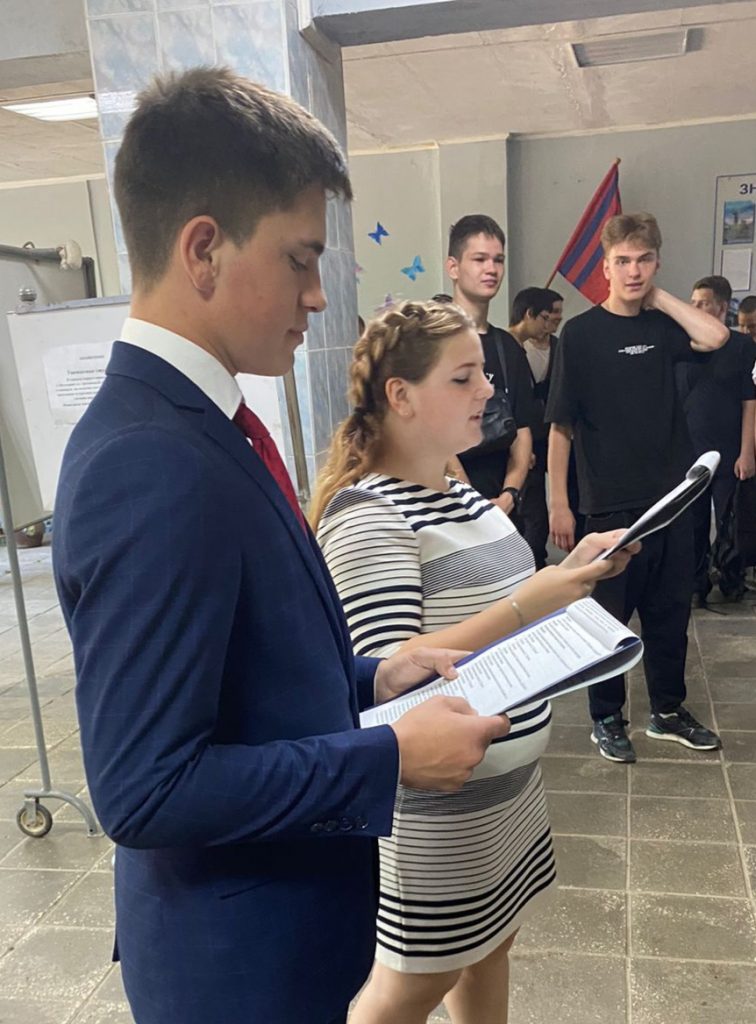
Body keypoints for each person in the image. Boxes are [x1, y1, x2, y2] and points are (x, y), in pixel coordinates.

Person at [52, 69, 510, 1024]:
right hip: (237, 969)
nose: (316, 295)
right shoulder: (151, 458)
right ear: (203, 250)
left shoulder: (203, 421)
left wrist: (369, 678)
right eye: (300, 259)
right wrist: (387, 759)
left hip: (280, 933)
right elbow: (145, 788)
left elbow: (243, 674)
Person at [311, 299, 637, 1024]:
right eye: (463, 378)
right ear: (401, 396)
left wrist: (568, 573)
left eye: (483, 373)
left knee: (491, 950)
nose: (488, 390)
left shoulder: (459, 490)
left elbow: (496, 598)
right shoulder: (369, 516)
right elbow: (388, 682)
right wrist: (531, 602)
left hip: (507, 796)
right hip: (440, 814)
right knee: (408, 989)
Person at [546, 212, 729, 764]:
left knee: (671, 615)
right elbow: (560, 425)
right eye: (622, 261)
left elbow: (716, 335)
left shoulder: (663, 327)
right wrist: (559, 501)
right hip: (609, 503)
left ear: (656, 264)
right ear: (604, 267)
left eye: (643, 260)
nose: (633, 271)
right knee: (606, 621)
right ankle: (607, 717)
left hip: (672, 500)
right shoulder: (579, 335)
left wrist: (660, 298)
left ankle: (668, 711)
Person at [445, 215, 534, 519]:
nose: (491, 269)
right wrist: (470, 500)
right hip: (447, 508)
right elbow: (425, 432)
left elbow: (522, 430)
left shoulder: (508, 347)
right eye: (479, 259)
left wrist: (510, 495)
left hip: (503, 511)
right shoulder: (430, 342)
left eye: (498, 260)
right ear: (453, 267)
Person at [680, 276, 756, 603]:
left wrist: (747, 452)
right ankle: (696, 583)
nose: (696, 308)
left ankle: (731, 579)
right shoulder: (683, 345)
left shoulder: (741, 346)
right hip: (690, 449)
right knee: (692, 522)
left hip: (729, 448)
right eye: (693, 302)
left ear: (722, 307)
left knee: (730, 521)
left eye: (704, 303)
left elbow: (749, 402)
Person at [508, 286, 562, 568]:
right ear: (529, 314)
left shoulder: (554, 346)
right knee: (528, 508)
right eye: (545, 317)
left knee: (536, 508)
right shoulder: (505, 347)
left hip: (541, 435)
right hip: (516, 439)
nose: (549, 324)